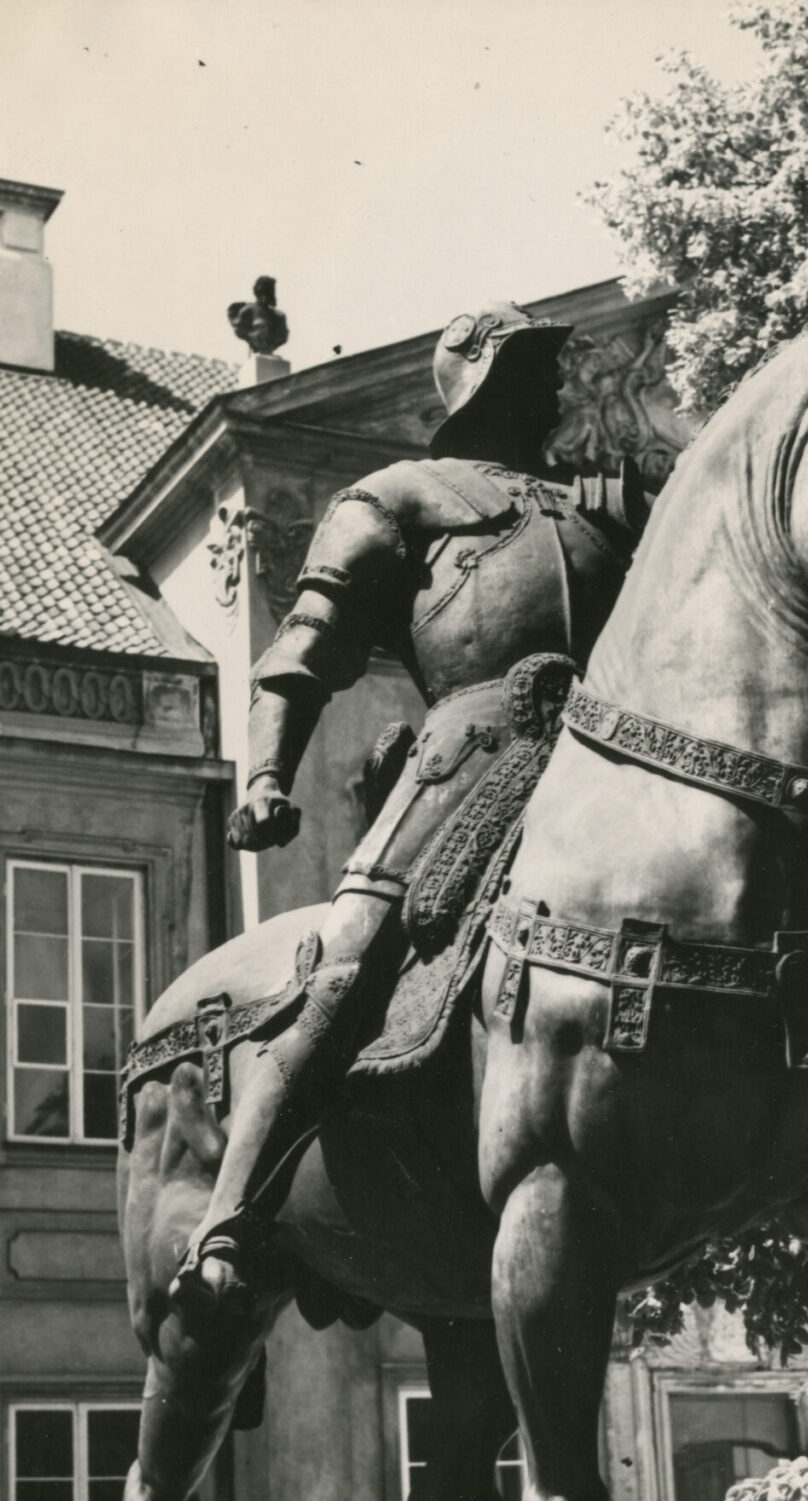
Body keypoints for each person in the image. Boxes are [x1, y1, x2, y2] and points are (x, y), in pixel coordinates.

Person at [171, 301, 647, 1319]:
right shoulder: (396, 498)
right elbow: (299, 658)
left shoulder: (595, 503)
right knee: (350, 960)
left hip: (609, 765)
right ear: (479, 382)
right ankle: (234, 1210)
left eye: (553, 370)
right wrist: (265, 779)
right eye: (532, 371)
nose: (556, 389)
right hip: (466, 762)